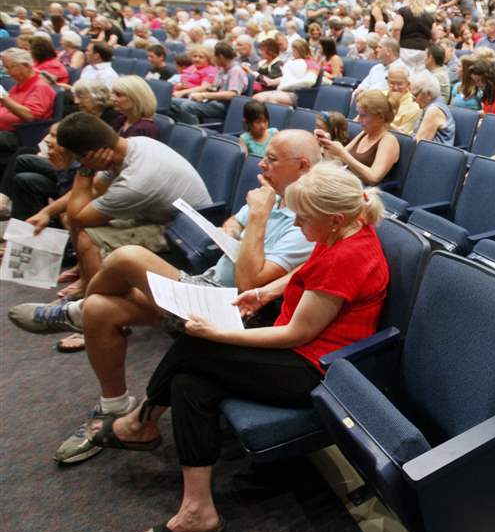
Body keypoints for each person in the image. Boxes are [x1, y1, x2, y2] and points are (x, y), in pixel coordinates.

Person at [87, 162, 389, 532]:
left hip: (315, 370)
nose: (296, 222)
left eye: (303, 217)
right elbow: (310, 269)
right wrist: (267, 292)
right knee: (191, 383)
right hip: (300, 352)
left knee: (196, 346)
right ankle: (198, 510)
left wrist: (218, 334)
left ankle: (141, 420)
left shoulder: (347, 255)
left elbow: (296, 334)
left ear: (334, 219)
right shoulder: (346, 227)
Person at [11, 132, 320, 459]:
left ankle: (72, 312)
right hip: (207, 283)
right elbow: (234, 221)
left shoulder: (307, 219)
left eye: (271, 159)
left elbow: (249, 284)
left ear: (301, 166)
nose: (262, 164)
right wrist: (230, 230)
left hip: (233, 308)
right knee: (100, 309)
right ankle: (114, 405)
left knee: (128, 257)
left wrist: (257, 217)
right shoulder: (273, 195)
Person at [50, 112, 212, 300]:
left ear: (90, 155)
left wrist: (85, 170)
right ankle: (86, 281)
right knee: (83, 221)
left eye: (78, 159)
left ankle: (92, 303)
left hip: (182, 234)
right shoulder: (136, 143)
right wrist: (46, 212)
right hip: (168, 217)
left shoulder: (134, 183)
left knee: (88, 235)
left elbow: (77, 217)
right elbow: (97, 188)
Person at [0, 48, 57, 181]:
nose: (7, 72)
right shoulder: (19, 85)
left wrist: (3, 97)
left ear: (25, 66)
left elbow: (30, 116)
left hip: (20, 134)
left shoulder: (40, 87)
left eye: (9, 68)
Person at [320, 91, 399, 185]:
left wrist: (343, 153)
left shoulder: (388, 140)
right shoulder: (364, 133)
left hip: (364, 191)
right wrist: (327, 145)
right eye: (358, 115)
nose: (358, 120)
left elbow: (374, 177)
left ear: (380, 117)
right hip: (346, 183)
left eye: (363, 116)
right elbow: (338, 162)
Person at [171, 41, 246, 124]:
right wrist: (200, 94)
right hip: (213, 101)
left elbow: (232, 94)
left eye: (214, 57)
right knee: (172, 102)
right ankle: (181, 126)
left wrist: (204, 95)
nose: (213, 60)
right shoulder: (222, 69)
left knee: (187, 107)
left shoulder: (235, 71)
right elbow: (214, 88)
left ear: (220, 57)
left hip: (225, 106)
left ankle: (195, 131)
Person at [253, 40, 319, 106]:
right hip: (285, 91)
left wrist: (286, 86)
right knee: (257, 98)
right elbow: (282, 79)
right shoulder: (294, 63)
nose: (292, 53)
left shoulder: (312, 63)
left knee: (262, 99)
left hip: (299, 94)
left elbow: (310, 81)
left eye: (294, 50)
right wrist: (269, 81)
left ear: (300, 51)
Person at [411, 71, 456, 145]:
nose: (413, 100)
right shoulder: (430, 105)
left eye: (415, 95)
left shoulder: (434, 110)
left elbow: (418, 144)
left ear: (428, 94)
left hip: (434, 152)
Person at [398, 0, 434, 73]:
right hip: (423, 49)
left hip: (405, 48)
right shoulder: (428, 15)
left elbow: (396, 28)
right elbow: (435, 35)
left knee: (404, 74)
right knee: (419, 75)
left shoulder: (403, 11)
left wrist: (396, 43)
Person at [383, 65, 420, 133]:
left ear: (408, 84)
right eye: (392, 83)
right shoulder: (380, 96)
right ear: (387, 81)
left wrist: (384, 123)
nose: (395, 88)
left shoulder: (414, 107)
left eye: (399, 84)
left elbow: (403, 136)